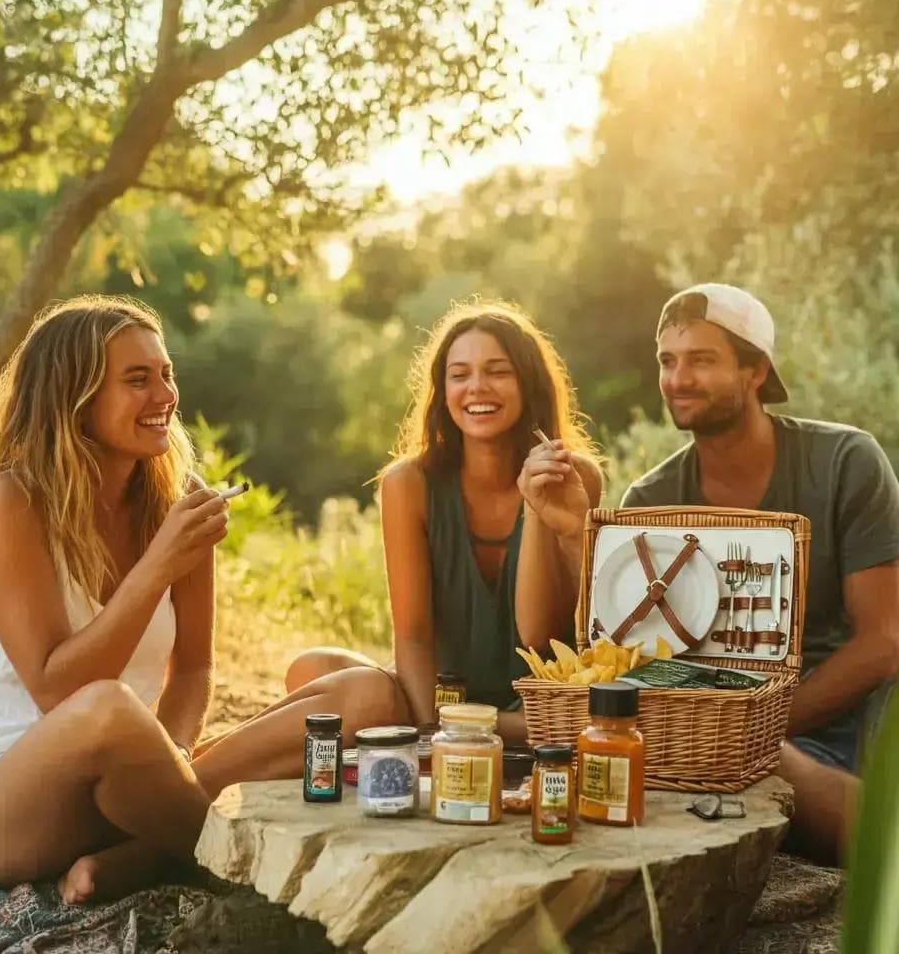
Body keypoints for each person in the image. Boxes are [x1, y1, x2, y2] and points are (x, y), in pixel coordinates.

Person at [0, 295, 398, 906]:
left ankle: (140, 857)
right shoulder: (10, 503)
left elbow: (193, 668)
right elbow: (58, 691)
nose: (164, 395)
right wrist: (159, 565)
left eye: (165, 374)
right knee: (107, 711)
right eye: (137, 380)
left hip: (134, 782)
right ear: (74, 397)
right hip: (6, 803)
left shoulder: (176, 501)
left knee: (366, 694)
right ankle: (226, 859)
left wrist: (170, 762)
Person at [622, 282, 899, 863]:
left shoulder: (847, 462)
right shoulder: (649, 500)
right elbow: (642, 656)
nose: (678, 379)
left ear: (756, 372)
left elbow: (884, 640)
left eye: (702, 360)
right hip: (725, 726)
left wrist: (754, 730)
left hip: (861, 707)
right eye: (668, 362)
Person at [282, 301, 603, 740]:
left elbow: (537, 636)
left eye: (498, 371)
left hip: (532, 706)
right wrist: (429, 726)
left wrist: (535, 506)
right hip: (441, 701)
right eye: (459, 374)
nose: (477, 387)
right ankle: (193, 765)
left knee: (567, 724)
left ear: (529, 383)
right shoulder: (408, 483)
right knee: (313, 668)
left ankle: (470, 726)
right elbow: (413, 636)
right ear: (442, 390)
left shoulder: (574, 476)